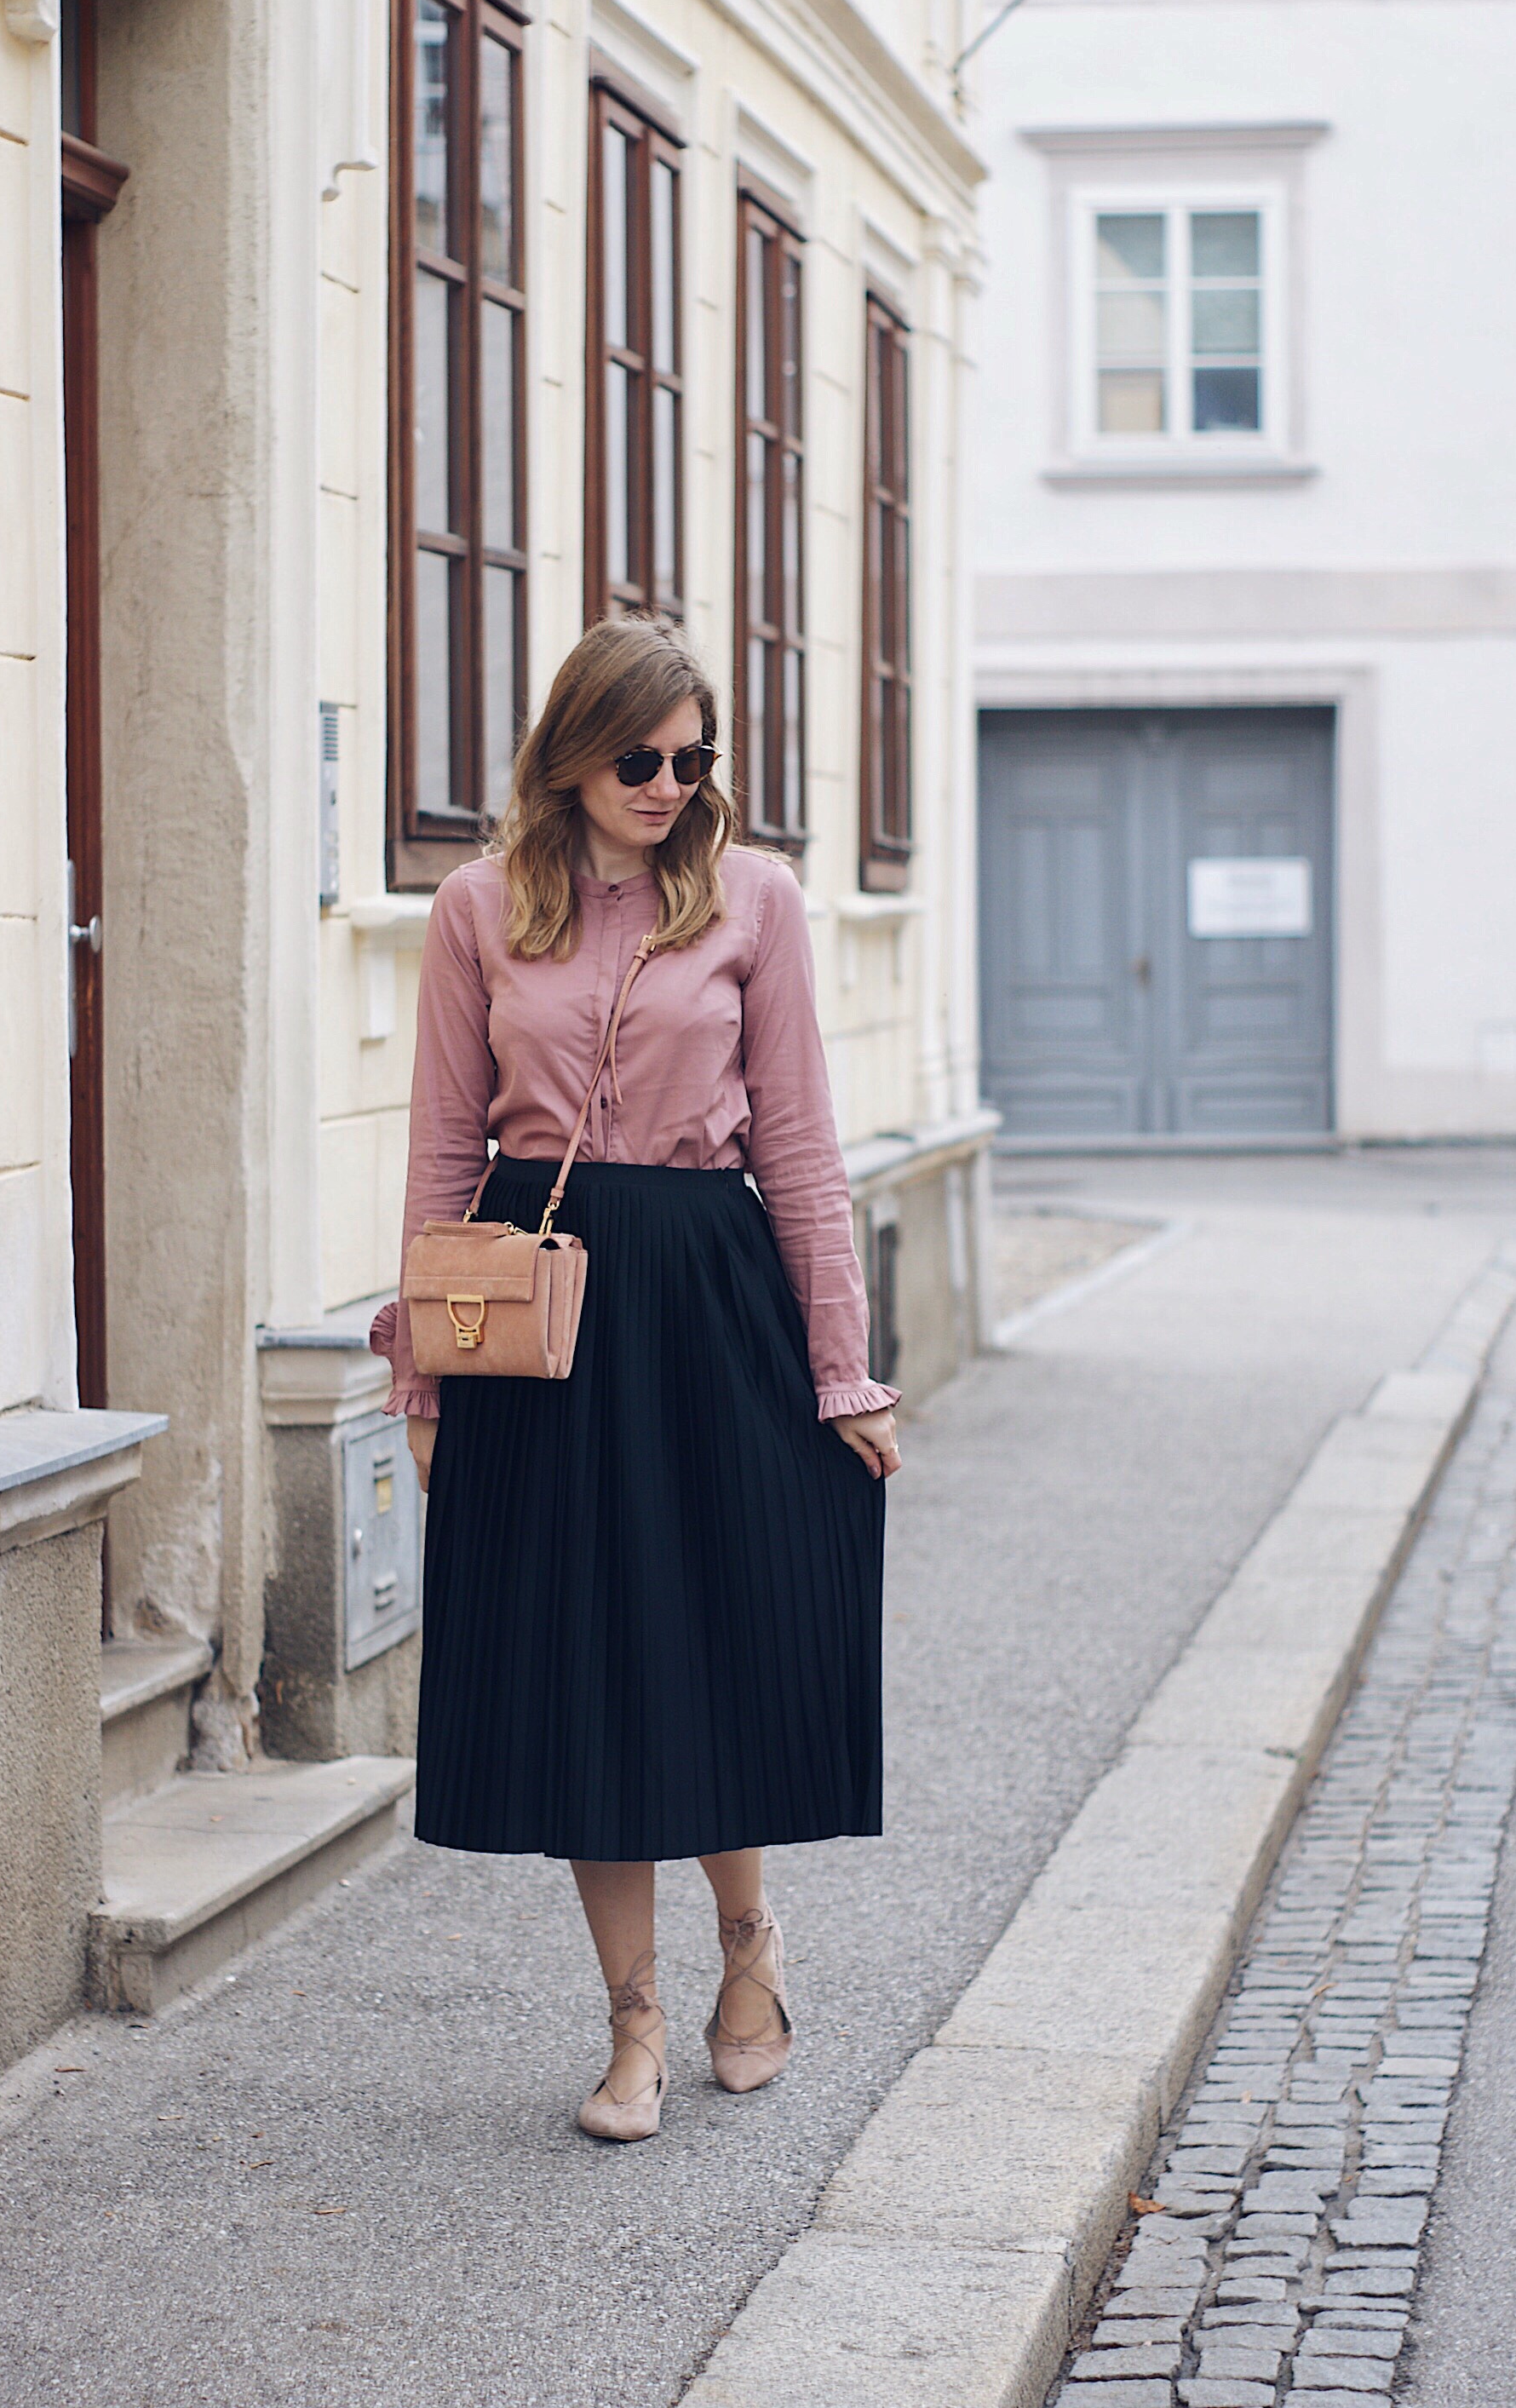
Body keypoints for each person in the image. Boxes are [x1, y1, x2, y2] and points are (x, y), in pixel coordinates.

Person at [370, 614, 902, 2144]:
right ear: (570, 756)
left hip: (708, 1291)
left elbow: (799, 1145)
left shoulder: (753, 899)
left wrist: (841, 1371)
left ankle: (748, 1948)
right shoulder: (480, 906)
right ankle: (632, 2026)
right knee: (584, 1669)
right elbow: (439, 1149)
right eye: (640, 757)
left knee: (718, 1636)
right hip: (544, 1307)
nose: (670, 783)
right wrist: (425, 1376)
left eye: (694, 757)